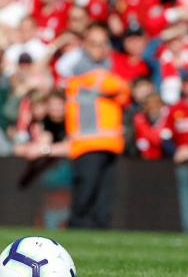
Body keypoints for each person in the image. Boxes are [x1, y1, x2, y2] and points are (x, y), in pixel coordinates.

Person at [63, 24, 130, 229]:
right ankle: (76, 228)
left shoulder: (104, 67)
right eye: (95, 44)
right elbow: (119, 87)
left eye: (103, 44)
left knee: (104, 196)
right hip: (88, 143)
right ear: (85, 45)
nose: (100, 49)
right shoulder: (85, 68)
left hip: (108, 142)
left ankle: (99, 232)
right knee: (85, 194)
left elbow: (124, 95)